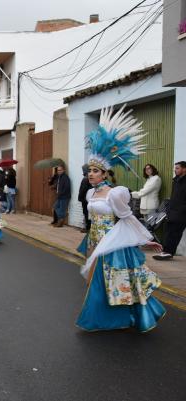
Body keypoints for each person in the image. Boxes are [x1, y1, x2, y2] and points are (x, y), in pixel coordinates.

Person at [76, 106, 165, 332]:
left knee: (113, 281)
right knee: (95, 281)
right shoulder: (90, 193)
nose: (91, 174)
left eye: (96, 171)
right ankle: (108, 316)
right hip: (95, 238)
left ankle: (107, 318)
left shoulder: (115, 193)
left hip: (112, 241)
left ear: (105, 173)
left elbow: (128, 219)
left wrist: (146, 239)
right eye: (89, 171)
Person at [153, 161, 186, 261]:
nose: (175, 170)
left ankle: (169, 252)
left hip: (182, 212)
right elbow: (173, 196)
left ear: (184, 169)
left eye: (177, 168)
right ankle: (166, 251)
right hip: (172, 210)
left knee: (175, 232)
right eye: (175, 168)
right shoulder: (175, 180)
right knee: (169, 231)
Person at [77, 164, 92, 233]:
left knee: (86, 213)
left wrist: (80, 198)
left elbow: (83, 190)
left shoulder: (85, 179)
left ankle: (87, 228)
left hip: (85, 200)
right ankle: (88, 227)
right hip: (89, 199)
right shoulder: (89, 178)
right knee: (88, 214)